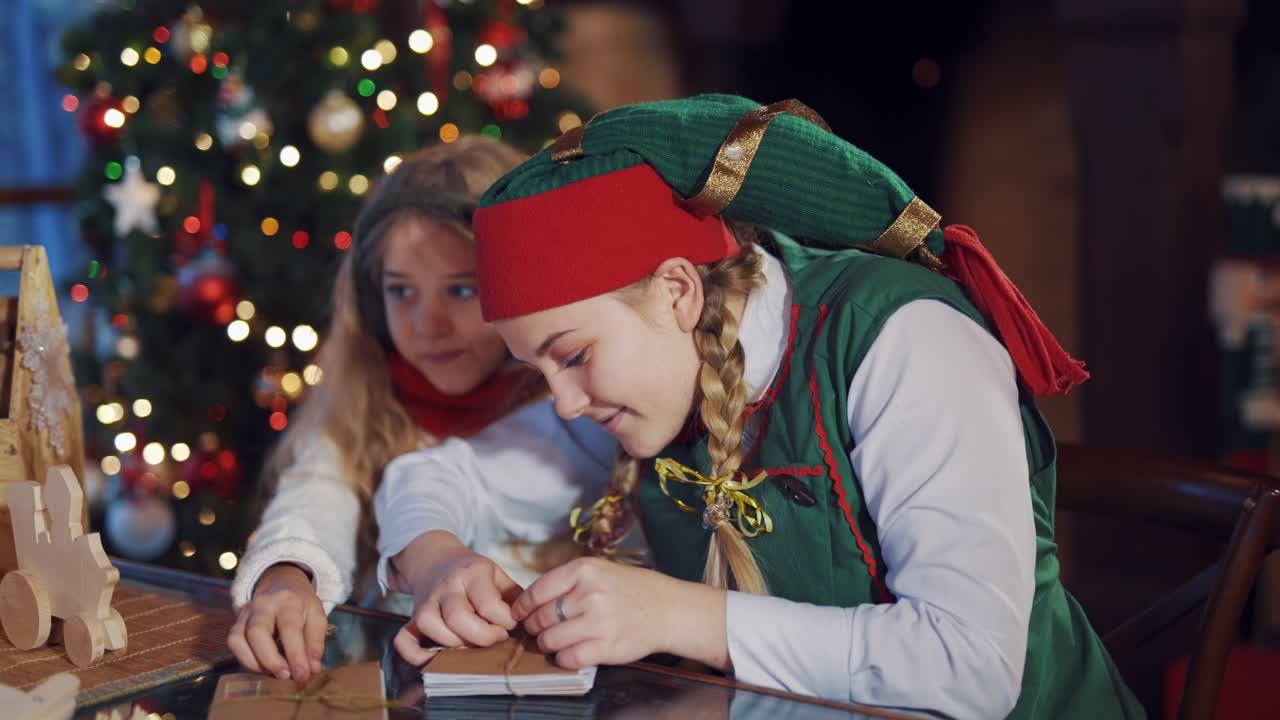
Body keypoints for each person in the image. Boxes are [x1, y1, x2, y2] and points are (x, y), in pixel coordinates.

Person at [425, 95, 1138, 718]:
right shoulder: (651, 378)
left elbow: (972, 668)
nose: (566, 405)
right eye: (538, 369)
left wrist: (677, 615)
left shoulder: (903, 338)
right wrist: (438, 565)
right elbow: (433, 481)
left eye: (573, 356)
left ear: (678, 292)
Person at [226, 136, 614, 684]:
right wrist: (286, 577)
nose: (427, 326)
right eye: (401, 291)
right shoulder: (360, 402)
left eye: (461, 291)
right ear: (371, 300)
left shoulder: (580, 400)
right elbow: (316, 497)